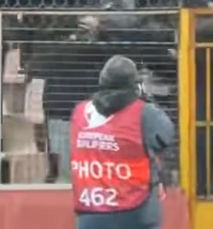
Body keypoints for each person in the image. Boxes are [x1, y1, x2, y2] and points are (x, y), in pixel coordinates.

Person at [69, 54, 176, 229]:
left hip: (90, 210)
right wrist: (144, 99)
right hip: (136, 211)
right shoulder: (144, 113)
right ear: (135, 85)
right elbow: (166, 135)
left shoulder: (80, 112)